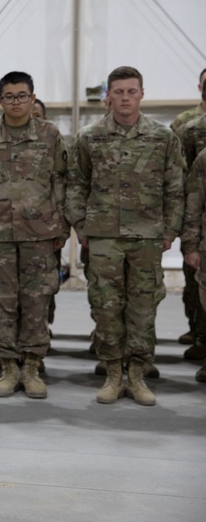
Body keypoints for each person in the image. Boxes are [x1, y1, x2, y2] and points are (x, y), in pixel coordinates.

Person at [67, 66, 185, 406]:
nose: (125, 98)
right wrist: (81, 226)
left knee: (144, 306)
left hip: (148, 236)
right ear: (108, 95)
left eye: (131, 92)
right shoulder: (89, 137)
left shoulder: (163, 137)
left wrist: (170, 229)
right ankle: (113, 372)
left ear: (142, 94)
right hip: (104, 237)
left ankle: (137, 373)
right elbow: (76, 184)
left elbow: (175, 187)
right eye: (118, 92)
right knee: (106, 306)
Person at [0, 72, 69, 399]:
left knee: (37, 301)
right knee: (1, 301)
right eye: (9, 96)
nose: (15, 102)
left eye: (22, 95)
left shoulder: (50, 135)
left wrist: (61, 227)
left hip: (40, 234)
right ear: (0, 100)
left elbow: (62, 182)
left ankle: (32, 366)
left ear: (32, 97)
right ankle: (8, 366)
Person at [172, 68, 206, 354]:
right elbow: (182, 179)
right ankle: (199, 334)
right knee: (195, 284)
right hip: (198, 219)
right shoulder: (187, 126)